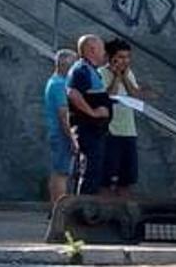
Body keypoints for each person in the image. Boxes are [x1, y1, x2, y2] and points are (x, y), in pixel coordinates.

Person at [66, 34, 111, 196]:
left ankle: (85, 208)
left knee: (93, 170)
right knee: (89, 171)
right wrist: (92, 112)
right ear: (92, 49)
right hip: (88, 129)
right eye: (102, 48)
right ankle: (82, 210)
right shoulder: (82, 69)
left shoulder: (91, 70)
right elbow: (73, 93)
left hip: (95, 129)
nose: (104, 52)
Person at [99, 38, 141, 197]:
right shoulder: (101, 73)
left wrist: (124, 77)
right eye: (121, 57)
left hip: (129, 132)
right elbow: (108, 96)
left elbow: (135, 95)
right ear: (111, 57)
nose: (125, 61)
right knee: (107, 179)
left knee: (126, 179)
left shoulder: (129, 73)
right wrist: (116, 76)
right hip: (111, 133)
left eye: (127, 57)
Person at [43, 48, 77, 208]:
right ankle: (60, 211)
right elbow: (64, 114)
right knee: (62, 173)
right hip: (62, 133)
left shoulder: (54, 82)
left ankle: (55, 209)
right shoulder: (59, 84)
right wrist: (72, 137)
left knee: (58, 171)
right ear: (65, 65)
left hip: (57, 132)